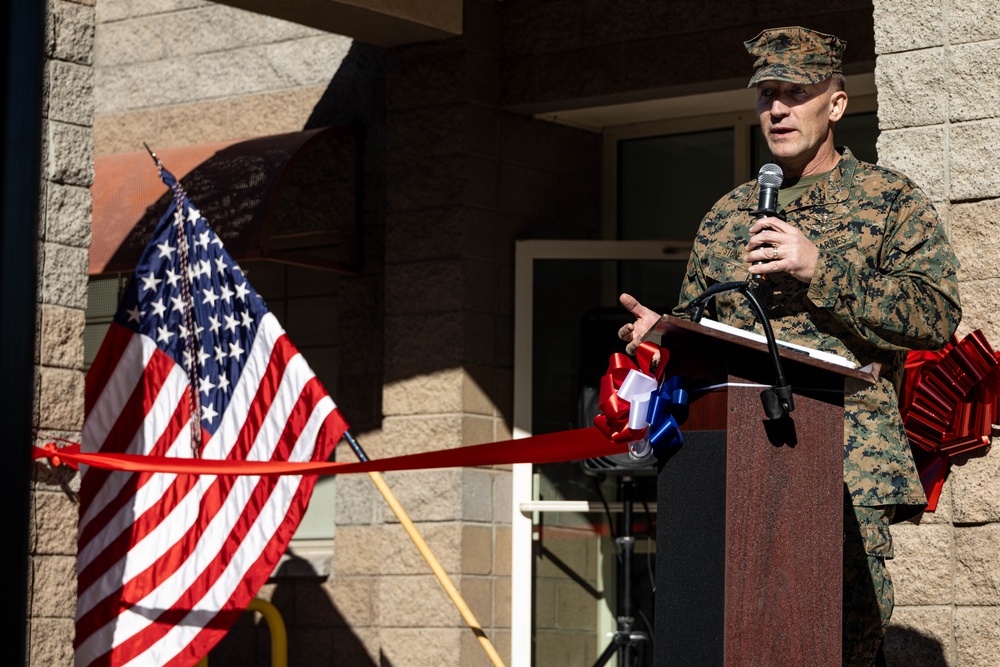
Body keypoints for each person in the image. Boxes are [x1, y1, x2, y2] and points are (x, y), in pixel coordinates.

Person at [617, 26, 962, 666]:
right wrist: (660, 336)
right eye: (766, 94)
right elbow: (702, 329)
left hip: (842, 468)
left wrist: (819, 268)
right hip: (729, 469)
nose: (776, 109)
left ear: (835, 103)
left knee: (835, 644)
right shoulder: (727, 214)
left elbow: (936, 316)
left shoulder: (889, 201)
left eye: (796, 93)